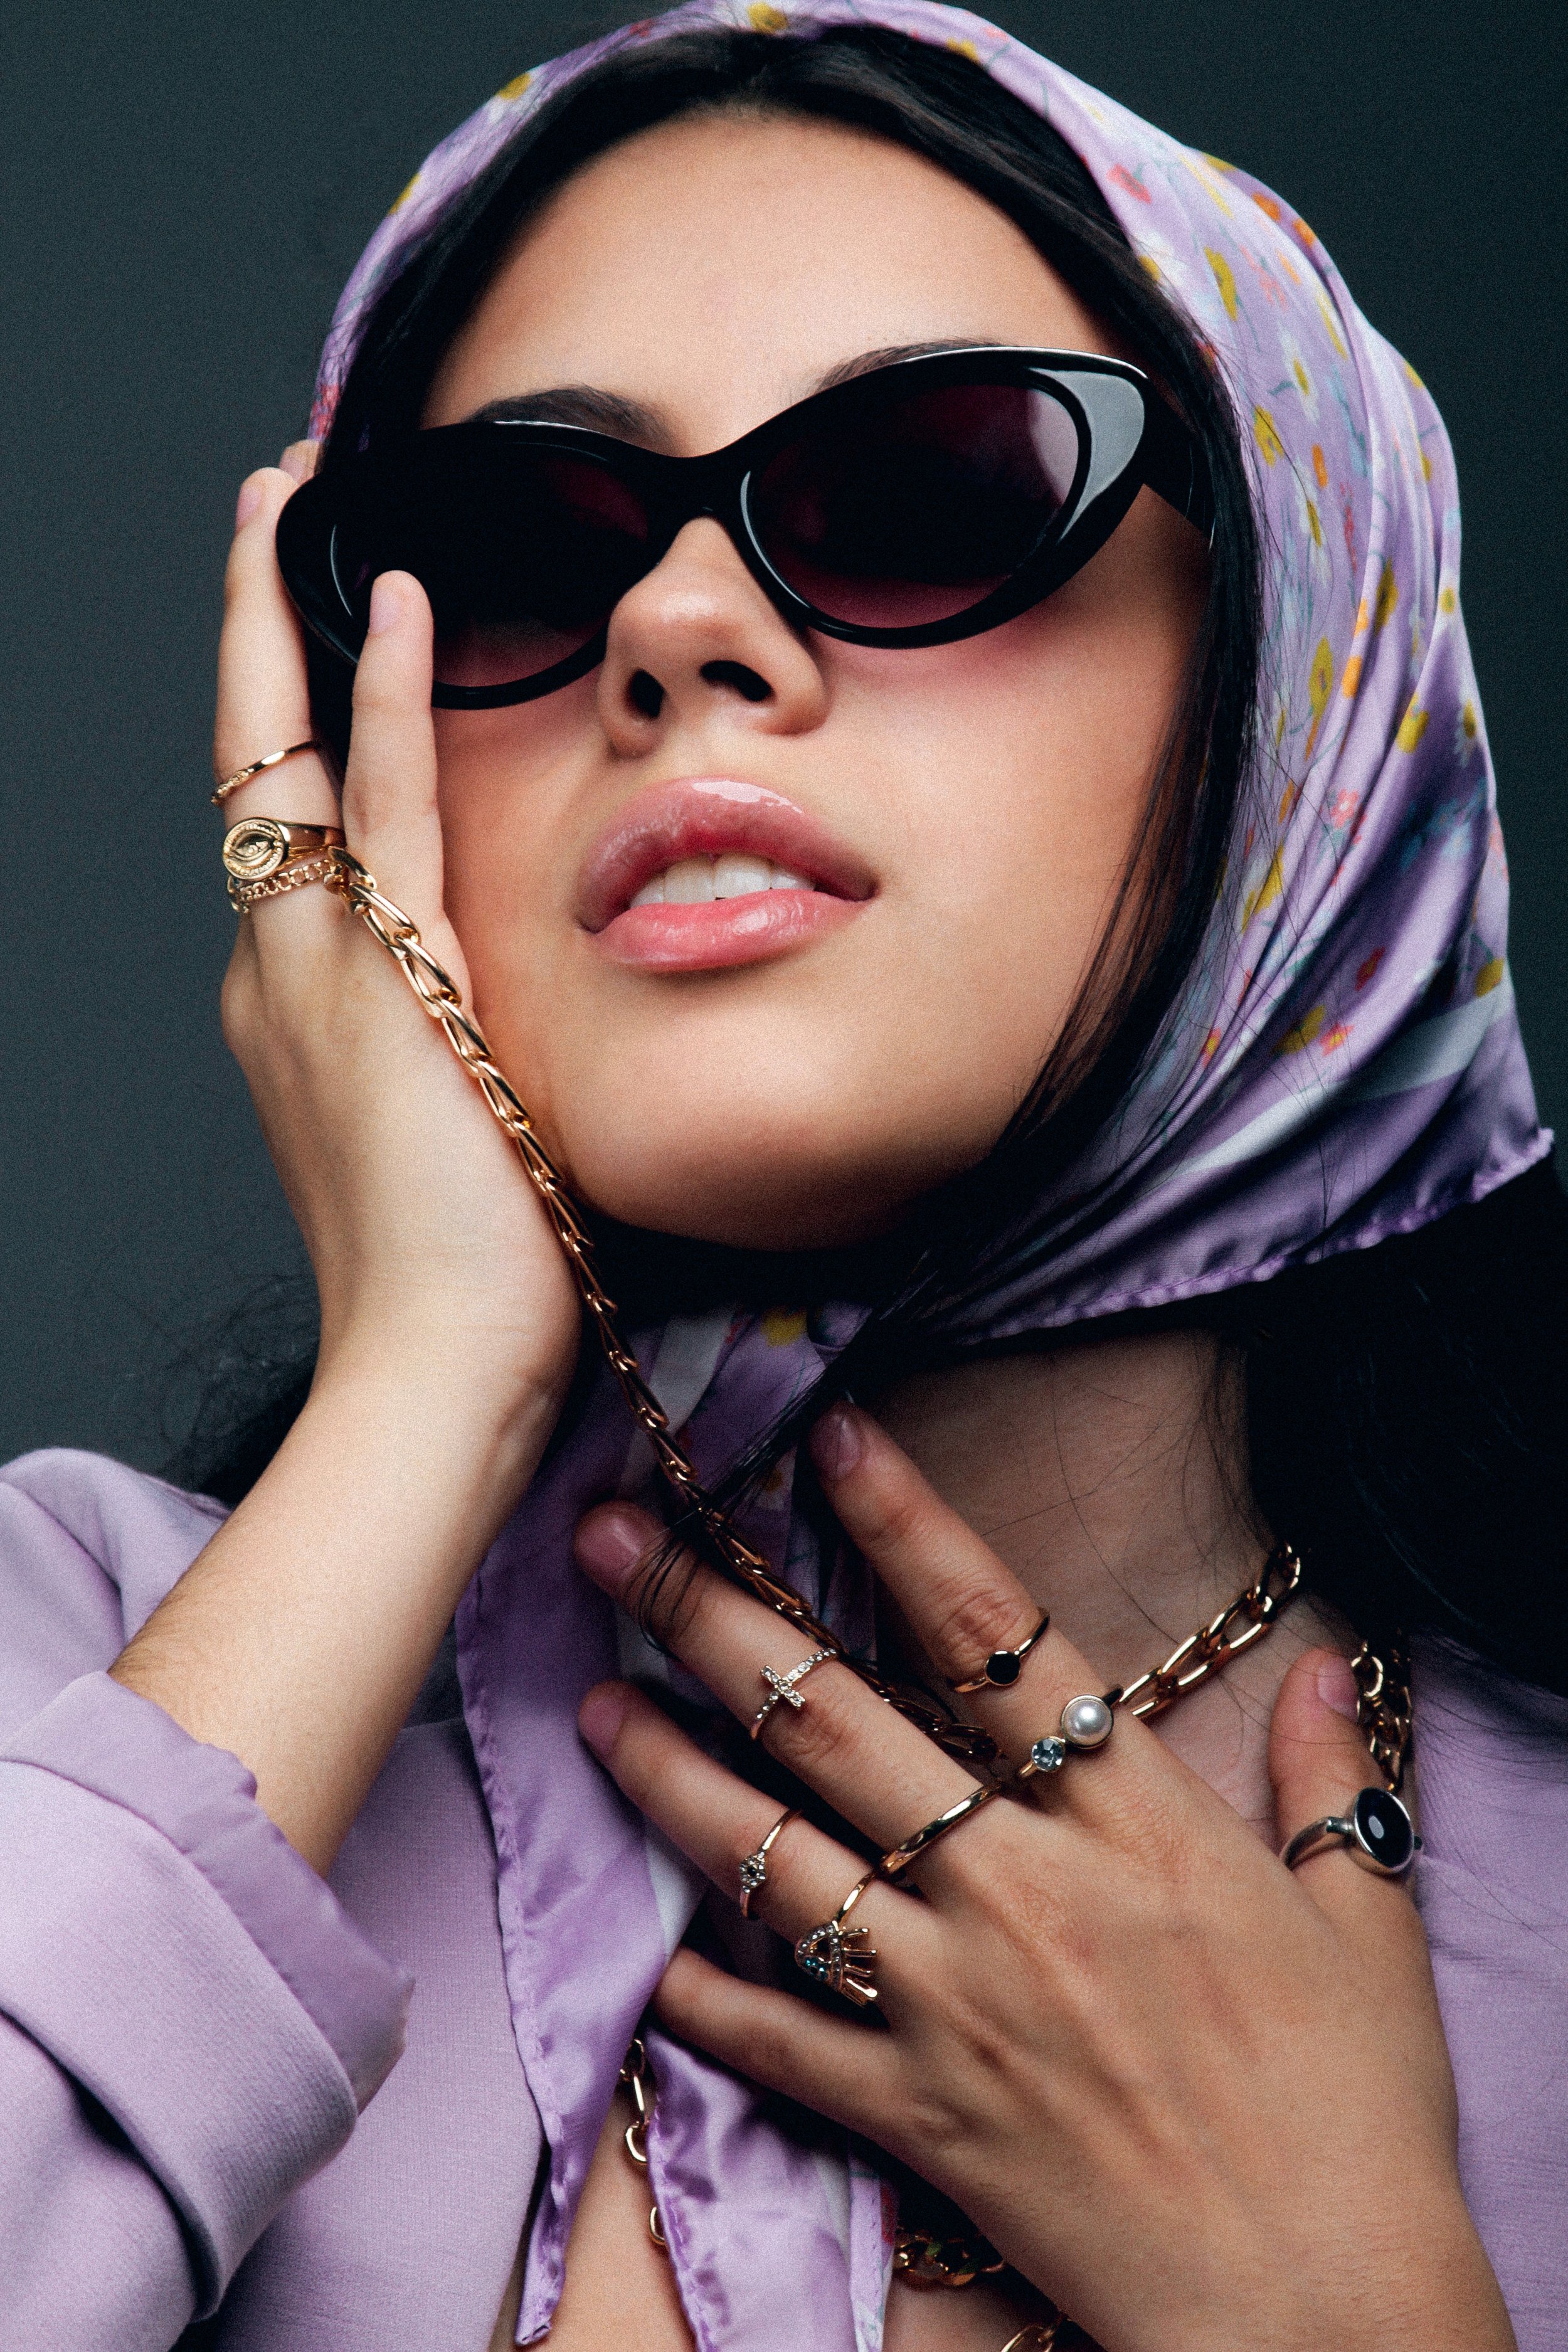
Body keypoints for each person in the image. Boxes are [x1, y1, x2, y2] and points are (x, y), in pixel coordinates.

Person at [1, 6, 1564, 2348]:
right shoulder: (83, 1674)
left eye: (923, 498)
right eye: (519, 553)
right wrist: (426, 1379)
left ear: (1299, 680)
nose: (671, 628)